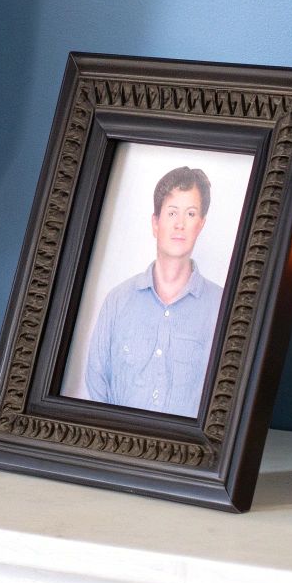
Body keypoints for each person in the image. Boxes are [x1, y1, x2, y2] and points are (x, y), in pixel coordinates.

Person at [83, 166, 224, 416]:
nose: (180, 224)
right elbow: (96, 381)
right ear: (156, 223)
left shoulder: (223, 307)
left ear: (201, 224)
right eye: (172, 213)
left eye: (190, 214)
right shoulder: (117, 301)